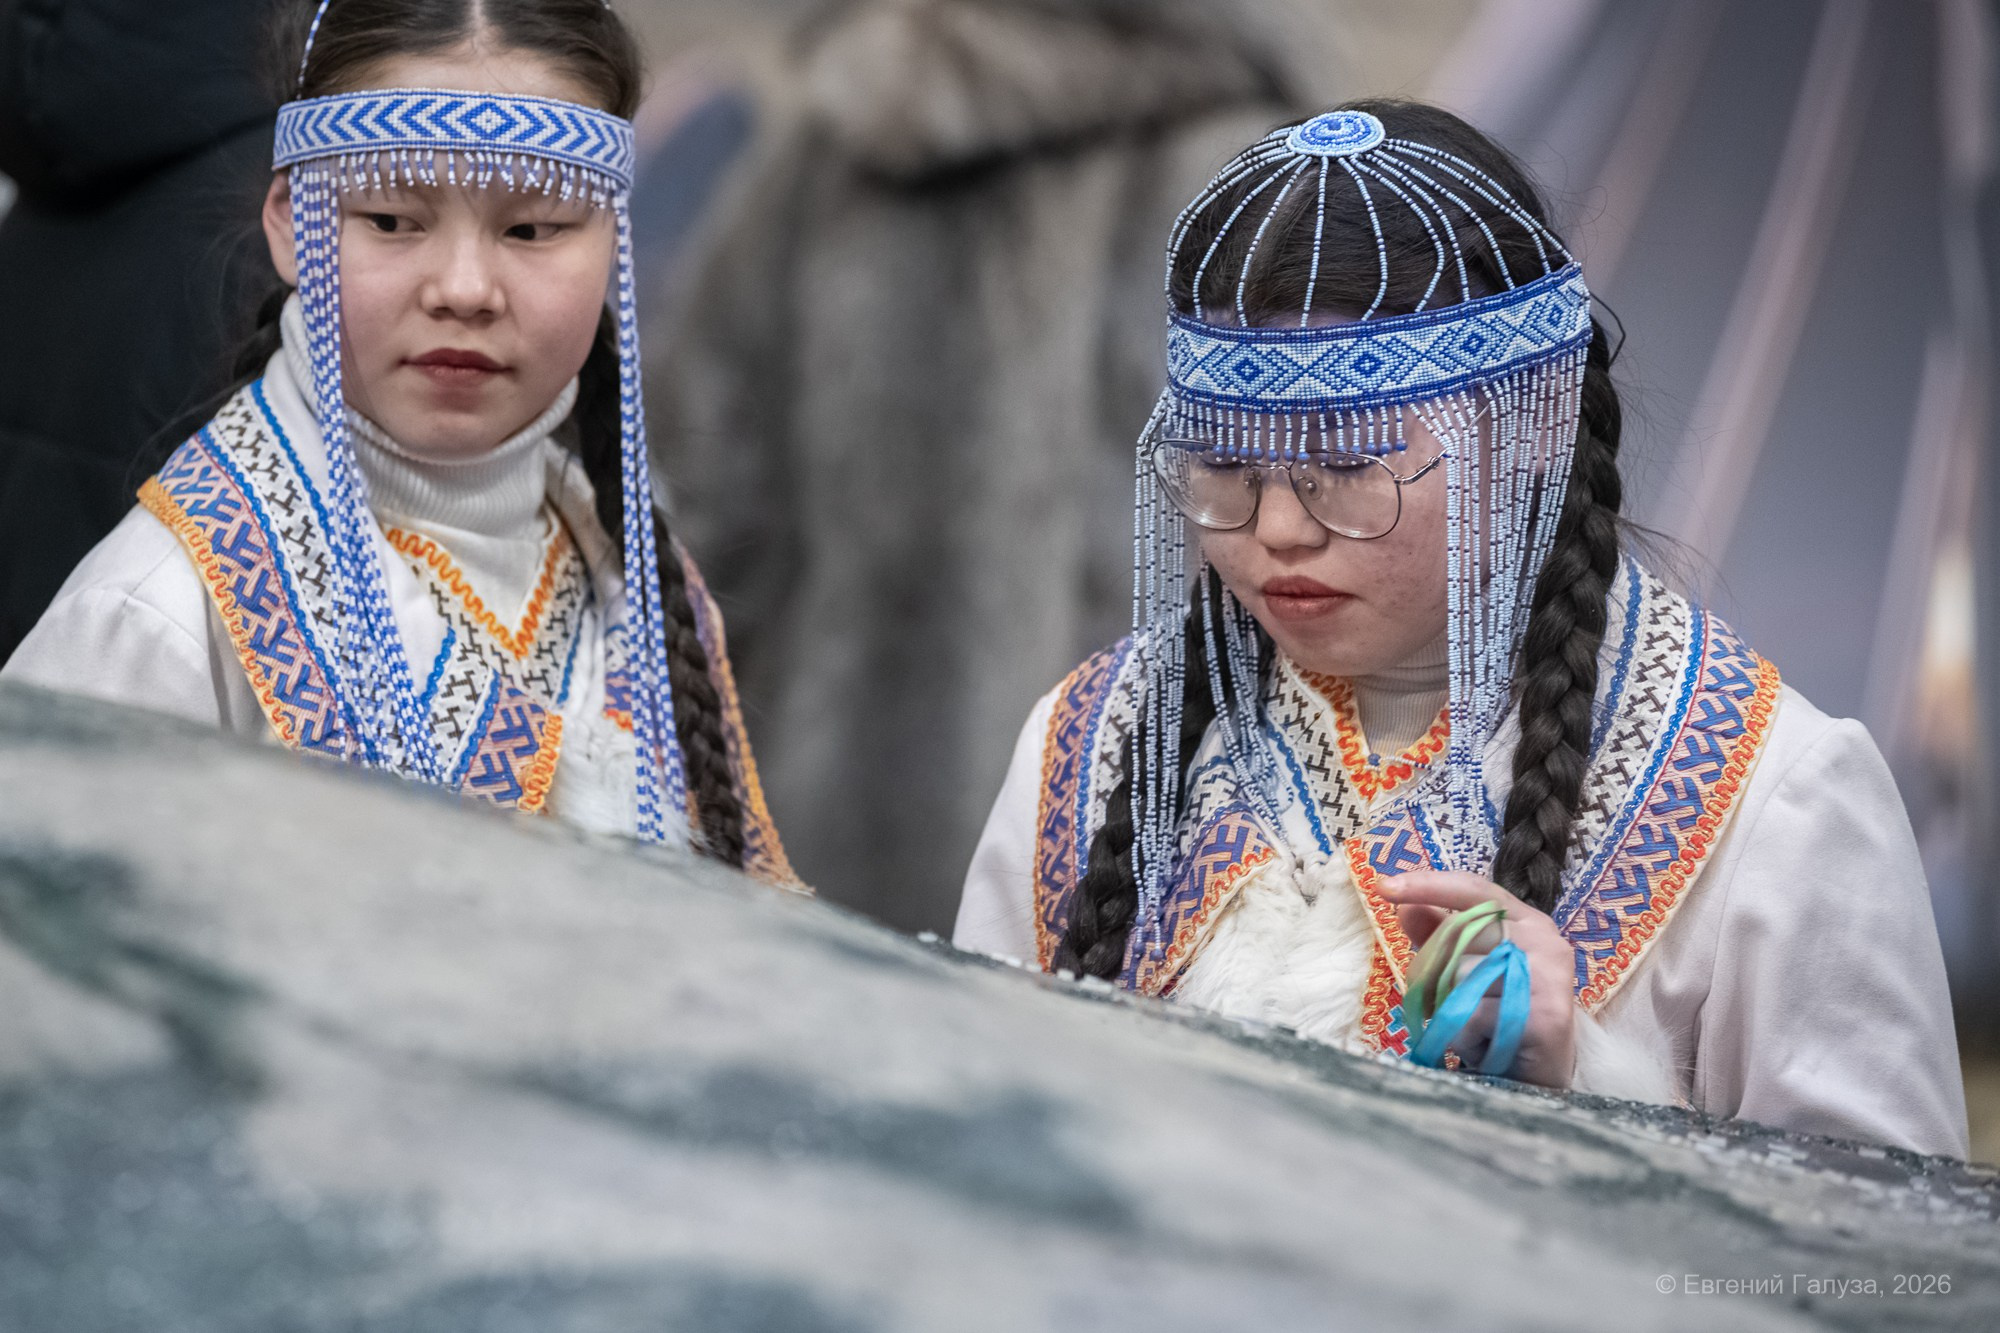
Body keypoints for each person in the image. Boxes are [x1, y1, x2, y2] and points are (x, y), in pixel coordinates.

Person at [955, 100, 1969, 1157]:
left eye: (1347, 464)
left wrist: (1583, 1082)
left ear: (1530, 427)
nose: (1275, 530)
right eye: (1221, 464)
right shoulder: (1095, 738)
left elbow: (1883, 1283)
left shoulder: (1780, 800)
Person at [3, 0, 794, 884]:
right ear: (289, 223)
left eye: (533, 229)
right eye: (390, 219)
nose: (464, 288)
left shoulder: (649, 597)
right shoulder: (160, 618)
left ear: (614, 243)